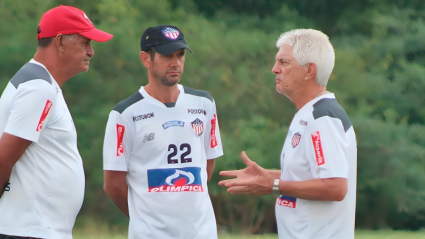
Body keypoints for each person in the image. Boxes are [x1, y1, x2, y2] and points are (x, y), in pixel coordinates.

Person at [219, 29, 357, 239]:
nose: (275, 69)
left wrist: (273, 185)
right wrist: (264, 176)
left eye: (284, 62)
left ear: (309, 70)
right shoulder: (309, 113)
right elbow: (310, 177)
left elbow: (335, 186)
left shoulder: (323, 118)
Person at [0, 5, 113, 239]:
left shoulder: (41, 82)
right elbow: (3, 158)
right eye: (85, 43)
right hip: (27, 230)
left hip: (33, 229)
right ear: (60, 42)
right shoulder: (39, 87)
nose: (91, 51)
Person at [103, 25, 223, 239]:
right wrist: (145, 219)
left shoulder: (204, 103)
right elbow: (113, 185)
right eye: (167, 55)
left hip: (202, 233)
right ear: (146, 59)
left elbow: (207, 167)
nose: (175, 62)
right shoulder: (124, 114)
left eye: (180, 55)